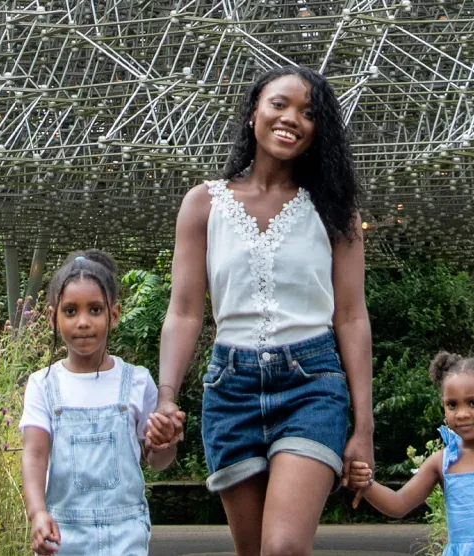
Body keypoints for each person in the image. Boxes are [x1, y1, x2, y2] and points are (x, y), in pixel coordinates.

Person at [147, 66, 373, 556]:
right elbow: (185, 312)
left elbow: (352, 317)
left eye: (309, 113)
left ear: (319, 132)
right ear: (254, 112)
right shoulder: (202, 205)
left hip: (312, 384)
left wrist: (364, 428)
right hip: (232, 390)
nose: (292, 118)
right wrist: (166, 397)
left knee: (284, 548)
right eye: (279, 104)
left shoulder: (335, 210)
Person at [19, 251, 178, 555]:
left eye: (94, 310)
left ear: (114, 315)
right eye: (70, 311)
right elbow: (35, 456)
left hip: (126, 534)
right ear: (54, 317)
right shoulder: (43, 385)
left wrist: (165, 442)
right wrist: (37, 513)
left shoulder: (137, 381)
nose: (82, 322)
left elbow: (158, 461)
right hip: (63, 535)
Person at [343, 350, 474, 556]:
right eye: (452, 405)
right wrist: (367, 485)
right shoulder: (442, 462)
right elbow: (399, 504)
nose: (462, 413)